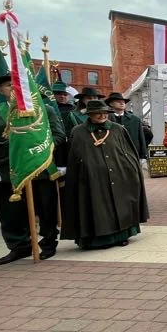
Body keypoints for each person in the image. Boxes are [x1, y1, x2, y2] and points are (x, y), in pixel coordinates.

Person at [0, 75, 66, 264]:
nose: (14, 88)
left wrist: (38, 150)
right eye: (9, 85)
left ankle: (48, 243)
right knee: (10, 214)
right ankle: (19, 247)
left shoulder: (44, 109)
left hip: (40, 168)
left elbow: (59, 135)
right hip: (8, 171)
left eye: (19, 84)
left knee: (45, 209)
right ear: (1, 91)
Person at [61, 99, 149, 249]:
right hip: (91, 179)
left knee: (121, 204)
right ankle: (96, 240)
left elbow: (128, 151)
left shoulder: (118, 129)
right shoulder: (79, 131)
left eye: (104, 112)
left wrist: (131, 170)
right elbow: (74, 156)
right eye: (97, 113)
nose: (102, 115)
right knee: (96, 207)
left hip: (119, 175)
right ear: (90, 114)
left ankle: (122, 236)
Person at [106, 92, 148, 164]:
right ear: (111, 104)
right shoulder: (106, 119)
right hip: (113, 156)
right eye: (118, 101)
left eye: (123, 102)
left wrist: (143, 155)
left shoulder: (135, 119)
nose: (122, 103)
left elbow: (141, 138)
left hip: (133, 155)